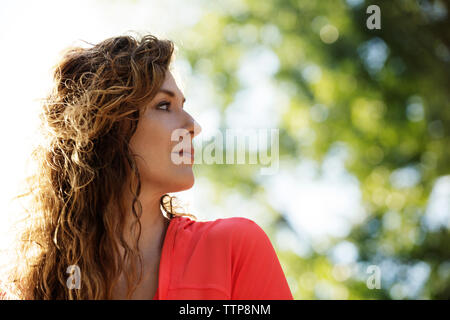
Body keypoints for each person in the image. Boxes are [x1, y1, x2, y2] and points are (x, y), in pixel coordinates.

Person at [0, 33, 293, 300]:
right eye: (164, 106)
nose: (193, 126)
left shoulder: (233, 249)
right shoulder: (35, 287)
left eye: (182, 104)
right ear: (108, 127)